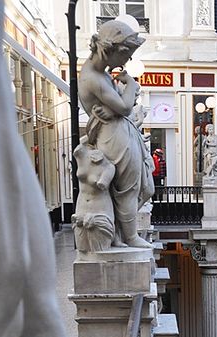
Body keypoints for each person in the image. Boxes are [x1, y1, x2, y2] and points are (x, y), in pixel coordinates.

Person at [78, 19, 153, 248]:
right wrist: (131, 85)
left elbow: (117, 108)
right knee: (126, 189)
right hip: (113, 139)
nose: (127, 60)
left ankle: (121, 234)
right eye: (127, 54)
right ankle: (129, 236)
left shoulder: (99, 73)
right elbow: (124, 107)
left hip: (119, 133)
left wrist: (116, 104)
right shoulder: (92, 77)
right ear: (115, 49)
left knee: (145, 188)